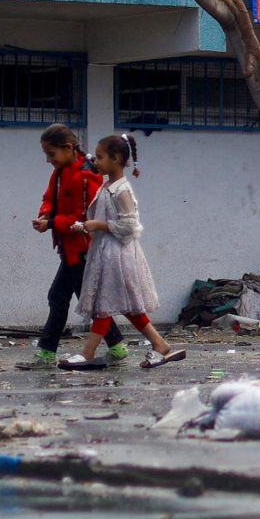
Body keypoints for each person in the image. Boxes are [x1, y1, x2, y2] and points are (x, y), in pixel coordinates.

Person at [63, 133, 183, 369]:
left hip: (118, 255)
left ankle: (87, 353)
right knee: (127, 306)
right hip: (106, 252)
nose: (95, 161)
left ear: (116, 159)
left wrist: (98, 225)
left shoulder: (122, 190)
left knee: (104, 305)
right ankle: (161, 345)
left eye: (99, 157)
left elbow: (130, 227)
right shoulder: (109, 186)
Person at [31, 122, 97, 365]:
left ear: (68, 148)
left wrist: (50, 224)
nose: (49, 160)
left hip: (81, 249)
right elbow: (49, 197)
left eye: (51, 154)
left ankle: (46, 353)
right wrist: (45, 214)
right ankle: (119, 346)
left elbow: (82, 218)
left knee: (59, 297)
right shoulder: (60, 173)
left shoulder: (86, 176)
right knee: (88, 303)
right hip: (68, 249)